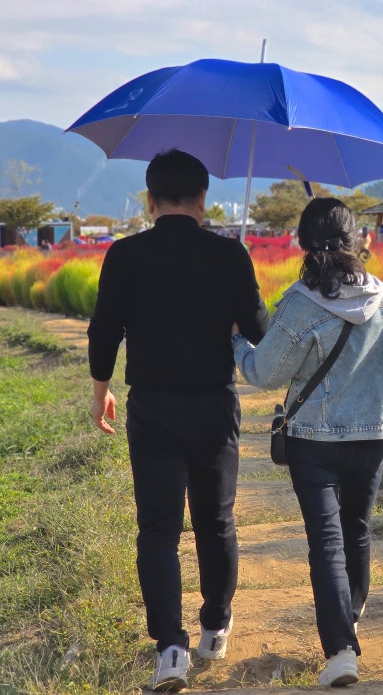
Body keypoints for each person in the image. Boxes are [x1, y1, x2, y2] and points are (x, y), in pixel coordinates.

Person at [88, 149, 270, 693]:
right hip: (214, 406)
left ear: (150, 200)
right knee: (216, 522)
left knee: (159, 530)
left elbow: (104, 331)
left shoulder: (123, 255)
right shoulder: (229, 254)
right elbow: (260, 328)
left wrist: (102, 392)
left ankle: (170, 647)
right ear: (201, 200)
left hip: (153, 408)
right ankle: (215, 625)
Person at [232, 198, 383, 688]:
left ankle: (341, 649)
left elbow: (263, 372)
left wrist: (236, 339)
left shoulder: (301, 303)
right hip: (371, 438)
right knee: (357, 529)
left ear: (303, 244)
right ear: (356, 241)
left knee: (326, 542)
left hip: (313, 442)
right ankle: (352, 611)